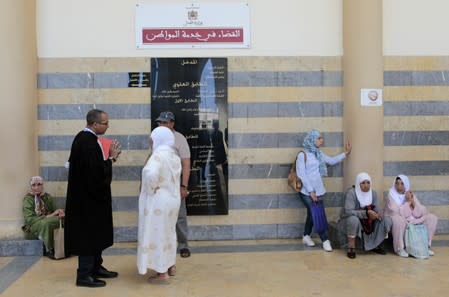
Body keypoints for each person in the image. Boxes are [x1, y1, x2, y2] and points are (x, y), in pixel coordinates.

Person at [64, 109, 121, 288]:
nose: (107, 125)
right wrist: (111, 159)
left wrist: (108, 160)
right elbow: (95, 174)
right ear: (94, 124)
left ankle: (96, 267)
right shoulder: (87, 142)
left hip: (90, 199)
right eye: (105, 123)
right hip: (87, 201)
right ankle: (84, 275)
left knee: (96, 234)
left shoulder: (85, 138)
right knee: (88, 236)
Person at [137, 127, 182, 284]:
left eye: (152, 138)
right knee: (168, 233)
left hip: (159, 202)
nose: (150, 141)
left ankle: (162, 273)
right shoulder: (173, 154)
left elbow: (149, 173)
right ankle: (170, 265)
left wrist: (151, 187)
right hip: (172, 200)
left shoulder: (158, 155)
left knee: (158, 234)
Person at [297, 129, 351, 251]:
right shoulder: (302, 155)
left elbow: (331, 161)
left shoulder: (318, 153)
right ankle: (325, 239)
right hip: (306, 192)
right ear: (312, 139)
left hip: (318, 190)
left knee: (312, 214)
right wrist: (311, 191)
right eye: (319, 138)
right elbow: (302, 175)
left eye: (321, 138)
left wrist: (346, 153)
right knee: (317, 213)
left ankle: (306, 235)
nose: (322, 140)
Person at [155, 111, 191, 258]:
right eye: (159, 122)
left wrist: (184, 186)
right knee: (159, 215)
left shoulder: (179, 138)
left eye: (164, 123)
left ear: (172, 123)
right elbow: (151, 158)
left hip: (175, 184)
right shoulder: (155, 137)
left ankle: (183, 245)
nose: (161, 125)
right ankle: (162, 246)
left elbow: (186, 163)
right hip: (158, 185)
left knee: (180, 216)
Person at [338, 172, 392, 259]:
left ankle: (376, 245)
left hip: (368, 220)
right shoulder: (351, 193)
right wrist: (366, 213)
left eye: (368, 182)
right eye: (363, 183)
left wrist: (379, 213)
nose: (366, 185)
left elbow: (377, 207)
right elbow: (348, 211)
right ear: (358, 183)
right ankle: (351, 248)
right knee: (353, 220)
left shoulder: (373, 193)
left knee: (386, 220)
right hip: (352, 220)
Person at [384, 175, 438, 257]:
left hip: (412, 219)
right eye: (397, 184)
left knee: (432, 218)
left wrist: (413, 202)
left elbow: (422, 212)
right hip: (399, 218)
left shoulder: (409, 194)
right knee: (399, 220)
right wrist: (408, 203)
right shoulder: (391, 195)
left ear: (406, 184)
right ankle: (400, 248)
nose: (399, 186)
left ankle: (425, 246)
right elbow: (395, 211)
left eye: (402, 184)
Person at [22, 176, 64, 259]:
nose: (36, 187)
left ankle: (64, 247)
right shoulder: (28, 199)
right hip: (32, 227)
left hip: (46, 221)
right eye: (33, 185)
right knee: (46, 223)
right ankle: (48, 249)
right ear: (31, 186)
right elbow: (29, 219)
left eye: (39, 184)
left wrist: (60, 212)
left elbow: (55, 210)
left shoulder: (47, 197)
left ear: (42, 185)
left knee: (62, 220)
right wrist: (48, 216)